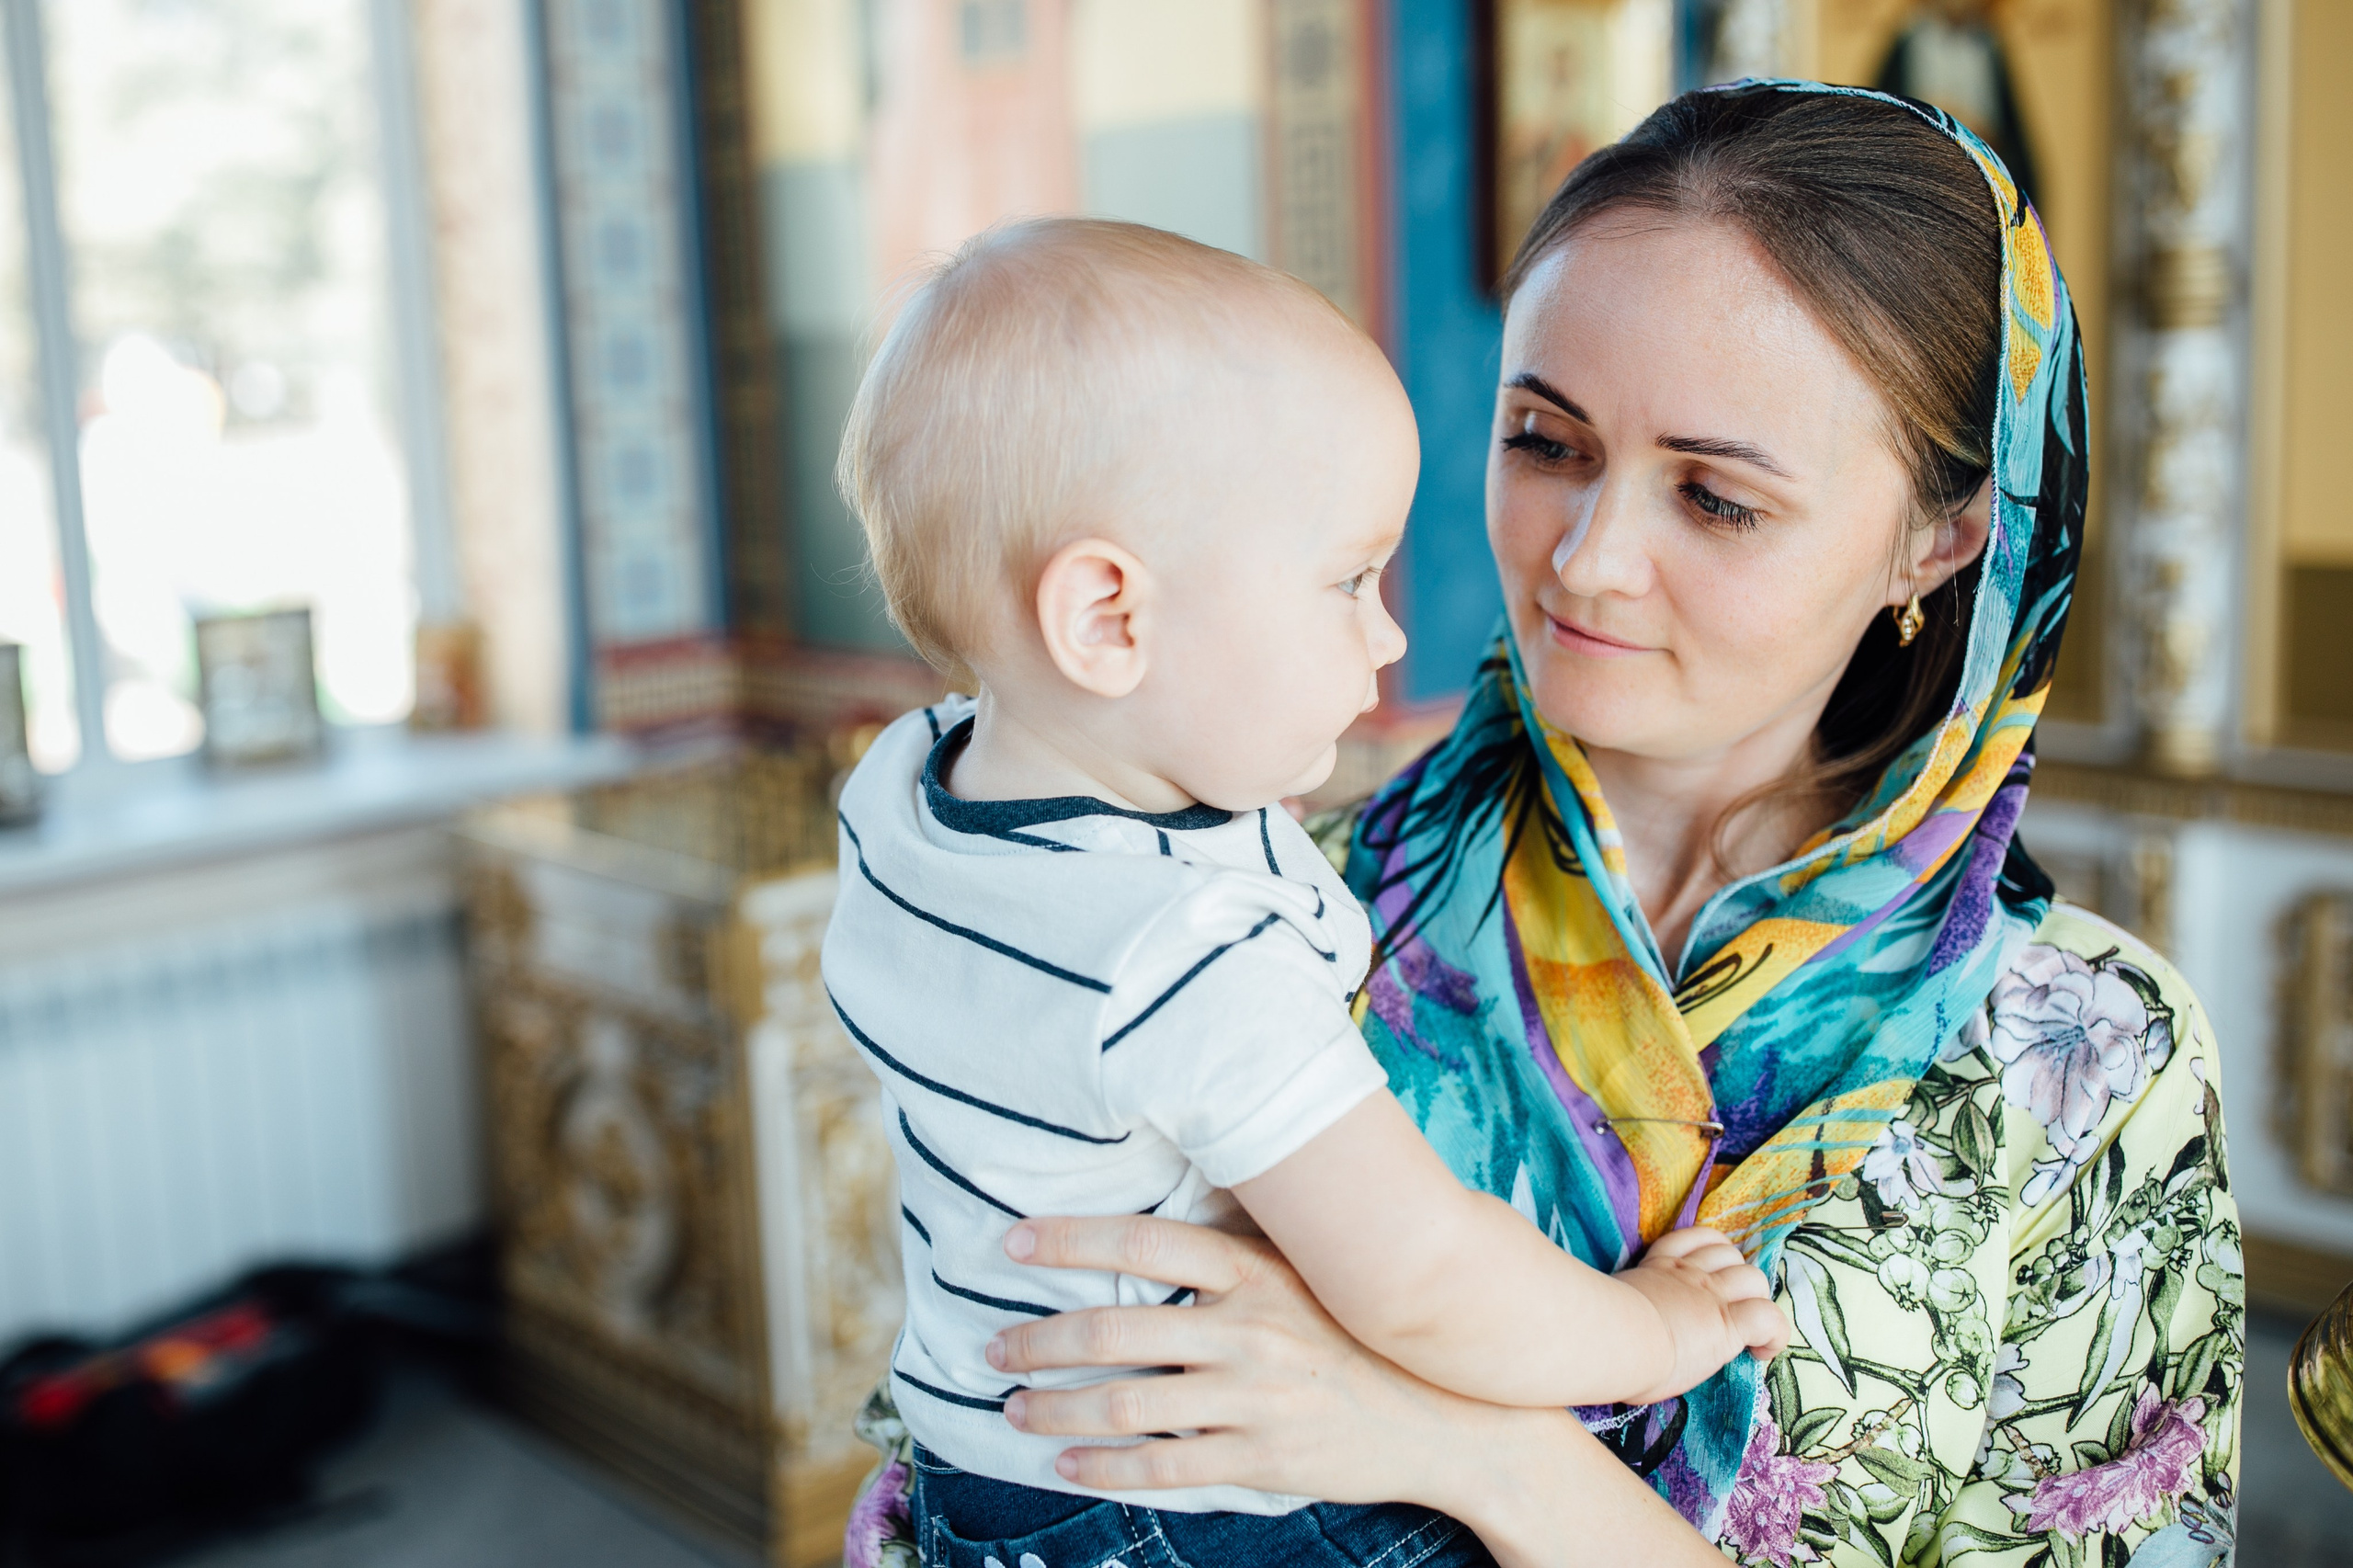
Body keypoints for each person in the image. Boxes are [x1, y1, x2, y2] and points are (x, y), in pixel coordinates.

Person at [845, 83, 2244, 1568]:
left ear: (1942, 534)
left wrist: (1462, 1444)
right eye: (1546, 439)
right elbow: (986, 1414)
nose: (1587, 559)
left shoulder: (2090, 1058)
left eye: (1713, 497)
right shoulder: (1285, 895)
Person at [824, 214, 1790, 1568]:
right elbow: (1422, 1277)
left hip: (973, 1481)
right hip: (1173, 1507)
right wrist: (1661, 1328)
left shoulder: (902, 796)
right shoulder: (1189, 953)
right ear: (1109, 618)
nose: (1391, 633)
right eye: (1346, 579)